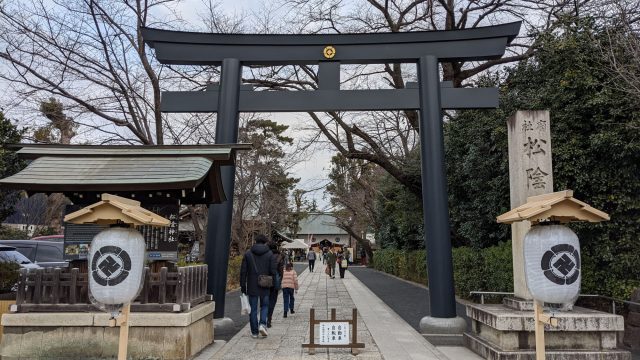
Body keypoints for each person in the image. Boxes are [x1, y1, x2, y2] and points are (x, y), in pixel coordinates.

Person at [240, 234, 276, 338]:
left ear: (255, 241)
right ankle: (262, 324)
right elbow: (273, 270)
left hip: (252, 285)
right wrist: (273, 284)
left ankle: (254, 332)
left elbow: (243, 271)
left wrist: (243, 285)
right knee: (265, 306)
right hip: (265, 284)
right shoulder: (269, 254)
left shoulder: (248, 253)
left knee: (253, 309)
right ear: (265, 242)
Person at [267, 241, 284, 328]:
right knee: (273, 300)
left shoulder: (265, 255)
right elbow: (281, 271)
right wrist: (280, 279)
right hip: (275, 281)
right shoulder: (279, 256)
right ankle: (269, 318)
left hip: (265, 281)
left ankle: (264, 317)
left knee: (265, 300)